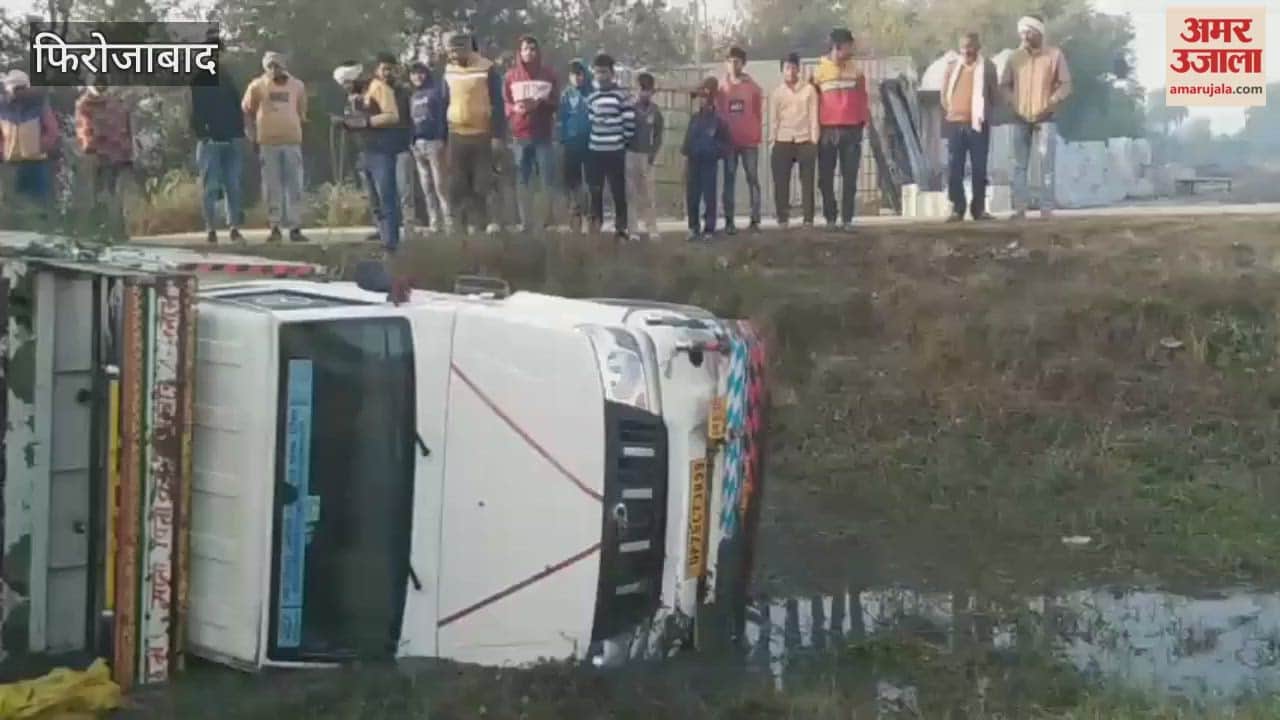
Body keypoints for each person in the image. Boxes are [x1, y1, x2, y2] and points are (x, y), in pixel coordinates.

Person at [1001, 15, 1072, 219]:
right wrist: (1012, 101)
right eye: (1021, 32)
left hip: (1046, 117)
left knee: (1046, 166)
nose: (1023, 36)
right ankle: (1020, 209)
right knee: (1019, 165)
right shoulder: (1014, 57)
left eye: (1027, 32)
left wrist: (1052, 101)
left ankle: (1046, 209)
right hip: (1020, 117)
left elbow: (1066, 84)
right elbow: (1004, 85)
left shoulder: (1054, 55)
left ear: (1038, 32)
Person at [442, 32, 505, 234]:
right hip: (456, 134)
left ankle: (490, 222)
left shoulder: (486, 68)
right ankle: (467, 224)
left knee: (483, 181)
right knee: (458, 182)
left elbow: (498, 103)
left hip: (482, 133)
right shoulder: (448, 70)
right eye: (450, 51)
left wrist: (498, 135)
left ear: (467, 47)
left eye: (457, 50)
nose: (453, 55)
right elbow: (444, 101)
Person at [242, 51, 309, 242]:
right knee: (272, 186)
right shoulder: (257, 86)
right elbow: (247, 110)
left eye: (277, 65)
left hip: (292, 141)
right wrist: (252, 135)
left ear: (283, 66)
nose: (273, 69)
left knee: (295, 185)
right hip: (268, 142)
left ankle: (295, 226)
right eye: (270, 66)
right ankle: (275, 227)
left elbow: (301, 111)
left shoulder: (297, 85)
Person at [349, 52, 413, 252]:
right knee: (374, 199)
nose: (387, 73)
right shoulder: (365, 90)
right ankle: (383, 234)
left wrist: (366, 122)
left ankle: (391, 241)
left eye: (390, 69)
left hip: (386, 149)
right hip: (366, 149)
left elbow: (393, 117)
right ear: (376, 70)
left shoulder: (393, 90)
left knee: (388, 197)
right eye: (384, 69)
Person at [192, 30, 246, 244]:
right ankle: (211, 229)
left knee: (233, 184)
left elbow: (236, 105)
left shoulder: (227, 77)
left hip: (231, 138)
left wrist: (239, 132)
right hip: (210, 141)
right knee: (211, 186)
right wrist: (204, 134)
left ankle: (234, 227)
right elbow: (194, 111)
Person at [813, 28, 868, 233]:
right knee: (826, 177)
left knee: (850, 177)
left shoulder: (857, 71)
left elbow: (863, 99)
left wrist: (862, 123)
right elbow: (813, 102)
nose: (851, 49)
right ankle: (830, 217)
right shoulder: (819, 73)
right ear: (838, 47)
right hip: (827, 131)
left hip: (852, 130)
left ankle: (847, 219)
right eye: (848, 46)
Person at [942, 33, 999, 223]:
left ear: (978, 47)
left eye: (970, 46)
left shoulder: (988, 68)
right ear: (960, 48)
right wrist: (956, 112)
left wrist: (983, 115)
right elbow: (944, 97)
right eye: (964, 47)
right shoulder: (952, 67)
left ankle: (979, 209)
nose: (967, 50)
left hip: (978, 125)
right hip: (955, 124)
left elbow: (994, 96)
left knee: (979, 169)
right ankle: (958, 208)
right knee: (954, 168)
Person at [504, 35, 558, 232]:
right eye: (526, 49)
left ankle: (545, 221)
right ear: (520, 52)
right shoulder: (511, 76)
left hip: (543, 134)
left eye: (533, 49)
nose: (529, 53)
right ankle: (525, 222)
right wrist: (514, 109)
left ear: (538, 52)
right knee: (522, 178)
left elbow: (556, 102)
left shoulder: (549, 74)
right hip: (520, 135)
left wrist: (541, 103)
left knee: (546, 177)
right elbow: (505, 103)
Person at [75, 74, 133, 240]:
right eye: (98, 85)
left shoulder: (115, 103)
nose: (101, 88)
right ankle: (103, 231)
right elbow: (85, 130)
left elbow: (125, 129)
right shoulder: (86, 104)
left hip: (117, 156)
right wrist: (91, 149)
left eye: (103, 85)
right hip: (98, 156)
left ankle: (116, 232)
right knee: (101, 195)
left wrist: (128, 152)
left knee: (114, 195)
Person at [585, 53, 635, 240]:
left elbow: (629, 122)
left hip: (615, 150)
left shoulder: (621, 95)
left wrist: (622, 140)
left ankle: (621, 228)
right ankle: (596, 225)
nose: (601, 76)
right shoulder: (592, 98)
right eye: (597, 72)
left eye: (604, 72)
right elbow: (590, 120)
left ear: (612, 73)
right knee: (595, 189)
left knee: (617, 190)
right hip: (596, 150)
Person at [0, 70, 59, 218]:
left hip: (36, 162)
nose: (18, 92)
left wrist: (40, 147)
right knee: (11, 201)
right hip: (10, 161)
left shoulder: (39, 104)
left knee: (37, 203)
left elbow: (51, 130)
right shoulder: (2, 107)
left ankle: (39, 228)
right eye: (15, 88)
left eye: (21, 88)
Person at [717, 46, 763, 235]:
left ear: (743, 64)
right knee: (729, 180)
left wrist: (755, 134)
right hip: (729, 142)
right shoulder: (722, 88)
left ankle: (755, 220)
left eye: (737, 61)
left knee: (752, 178)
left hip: (749, 142)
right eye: (729, 61)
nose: (733, 65)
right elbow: (718, 114)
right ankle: (729, 221)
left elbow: (758, 113)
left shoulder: (753, 87)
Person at [333, 61, 381, 242]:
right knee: (371, 192)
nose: (345, 87)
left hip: (376, 148)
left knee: (381, 191)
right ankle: (379, 226)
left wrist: (348, 121)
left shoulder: (369, 95)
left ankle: (388, 228)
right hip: (362, 150)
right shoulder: (351, 99)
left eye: (347, 82)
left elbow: (367, 120)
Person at [769, 52, 819, 228]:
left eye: (793, 67)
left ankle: (808, 219)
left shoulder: (809, 90)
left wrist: (814, 140)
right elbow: (774, 120)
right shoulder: (777, 93)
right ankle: (783, 219)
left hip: (805, 139)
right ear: (782, 70)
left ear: (799, 69)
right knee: (781, 181)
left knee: (807, 181)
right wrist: (772, 141)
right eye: (787, 68)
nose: (790, 71)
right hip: (783, 139)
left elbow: (813, 116)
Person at [681, 78, 730, 242]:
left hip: (709, 163)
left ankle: (709, 229)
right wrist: (686, 161)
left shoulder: (719, 121)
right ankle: (693, 227)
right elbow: (687, 144)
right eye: (701, 97)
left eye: (705, 97)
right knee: (692, 196)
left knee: (710, 196)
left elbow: (726, 145)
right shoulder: (694, 119)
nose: (702, 101)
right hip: (694, 162)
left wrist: (714, 151)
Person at [409, 61, 450, 233]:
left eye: (420, 73)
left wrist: (442, 138)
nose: (417, 77)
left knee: (441, 185)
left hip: (434, 143)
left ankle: (449, 222)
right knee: (426, 187)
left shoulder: (435, 93)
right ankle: (435, 223)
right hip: (418, 145)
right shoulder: (412, 97)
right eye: (414, 74)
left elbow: (442, 117)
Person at [626, 72, 664, 241]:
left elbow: (658, 134)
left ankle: (652, 228)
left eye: (648, 90)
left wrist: (653, 153)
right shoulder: (630, 108)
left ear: (652, 91)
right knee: (631, 193)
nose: (644, 93)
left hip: (646, 156)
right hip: (630, 154)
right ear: (636, 90)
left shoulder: (655, 111)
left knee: (648, 194)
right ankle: (632, 229)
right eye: (642, 89)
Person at [558, 60, 592, 234]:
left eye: (580, 74)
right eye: (573, 75)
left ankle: (588, 216)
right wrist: (561, 139)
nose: (577, 78)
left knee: (587, 182)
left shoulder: (591, 93)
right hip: (570, 143)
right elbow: (561, 119)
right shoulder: (565, 95)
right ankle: (573, 215)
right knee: (571, 181)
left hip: (589, 143)